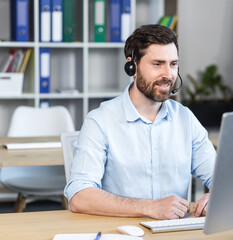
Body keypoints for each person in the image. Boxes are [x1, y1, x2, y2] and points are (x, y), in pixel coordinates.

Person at [64, 24, 216, 220]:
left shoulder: (185, 118)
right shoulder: (100, 121)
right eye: (157, 64)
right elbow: (79, 196)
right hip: (120, 233)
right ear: (132, 66)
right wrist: (150, 207)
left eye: (173, 64)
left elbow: (220, 176)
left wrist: (217, 196)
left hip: (173, 234)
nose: (168, 75)